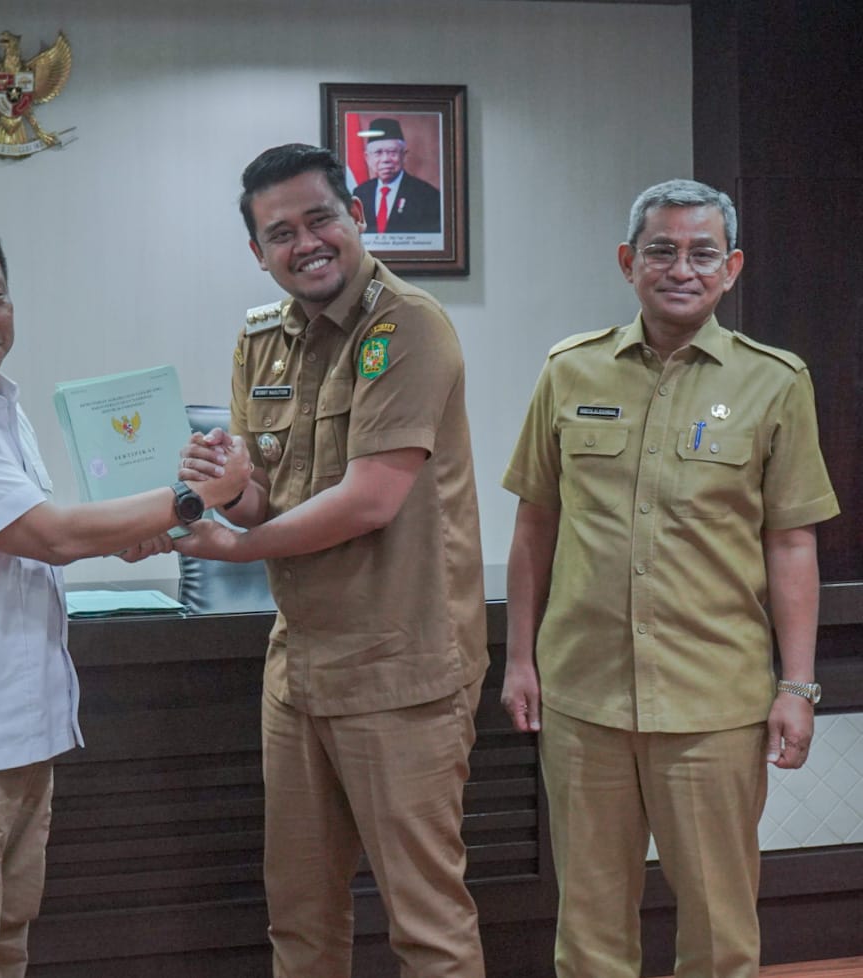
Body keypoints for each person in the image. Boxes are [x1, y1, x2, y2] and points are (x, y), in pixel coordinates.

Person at [0, 216, 250, 978]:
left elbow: (29, 541)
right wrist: (191, 498)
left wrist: (132, 531)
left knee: (5, 954)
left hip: (14, 738)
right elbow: (51, 536)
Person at [500, 179, 839, 978]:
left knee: (720, 933)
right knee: (589, 933)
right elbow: (535, 523)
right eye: (661, 251)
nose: (681, 268)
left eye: (702, 253)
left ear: (731, 268)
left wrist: (797, 687)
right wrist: (519, 659)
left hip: (713, 705)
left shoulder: (775, 380)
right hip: (585, 698)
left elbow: (792, 544)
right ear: (628, 262)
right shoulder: (570, 371)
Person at [177, 144, 487, 977]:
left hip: (401, 671)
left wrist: (236, 543)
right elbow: (262, 496)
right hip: (301, 667)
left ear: (356, 217)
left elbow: (370, 499)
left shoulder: (407, 325)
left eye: (321, 219)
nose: (306, 243)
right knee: (300, 919)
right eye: (281, 233)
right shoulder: (262, 341)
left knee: (427, 927)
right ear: (258, 252)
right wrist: (226, 488)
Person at [351, 118, 441, 234]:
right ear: (367, 158)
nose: (385, 159)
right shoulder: (360, 193)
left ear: (404, 156)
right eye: (378, 153)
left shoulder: (427, 196)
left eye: (392, 152)